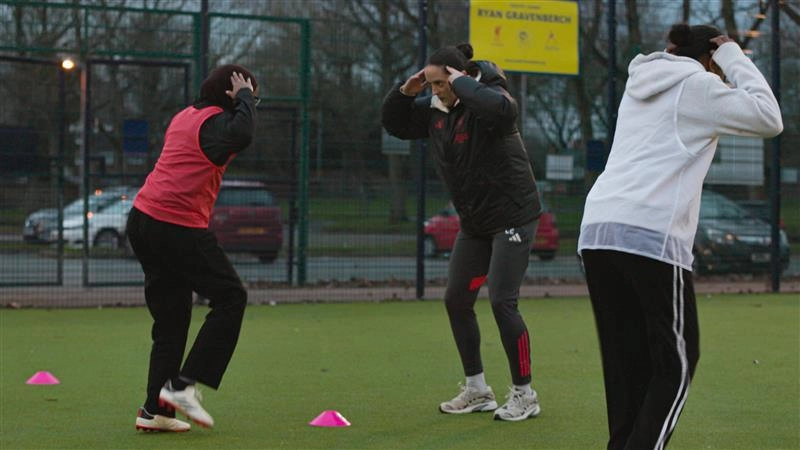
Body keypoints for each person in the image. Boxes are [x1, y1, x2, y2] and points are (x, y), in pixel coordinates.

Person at [578, 24, 782, 449]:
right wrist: (733, 56)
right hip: (649, 235)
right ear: (709, 58)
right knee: (677, 363)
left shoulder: (640, 85)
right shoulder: (700, 86)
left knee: (626, 364)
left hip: (597, 229)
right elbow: (769, 117)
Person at [382, 44, 543, 421]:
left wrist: (463, 83)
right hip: (476, 223)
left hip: (513, 217)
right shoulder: (434, 112)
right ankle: (477, 390)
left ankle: (525, 394)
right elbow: (395, 123)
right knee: (457, 300)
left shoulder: (490, 103)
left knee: (503, 301)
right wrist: (405, 91)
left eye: (441, 83)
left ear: (459, 78)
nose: (435, 91)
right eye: (431, 84)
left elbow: (504, 110)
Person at [128, 64, 259, 432]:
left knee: (171, 318)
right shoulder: (218, 123)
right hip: (175, 224)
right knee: (231, 297)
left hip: (143, 219)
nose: (253, 105)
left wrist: (242, 98)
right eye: (251, 96)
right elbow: (243, 134)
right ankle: (182, 388)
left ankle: (156, 411)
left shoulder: (187, 115)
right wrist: (245, 97)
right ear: (231, 95)